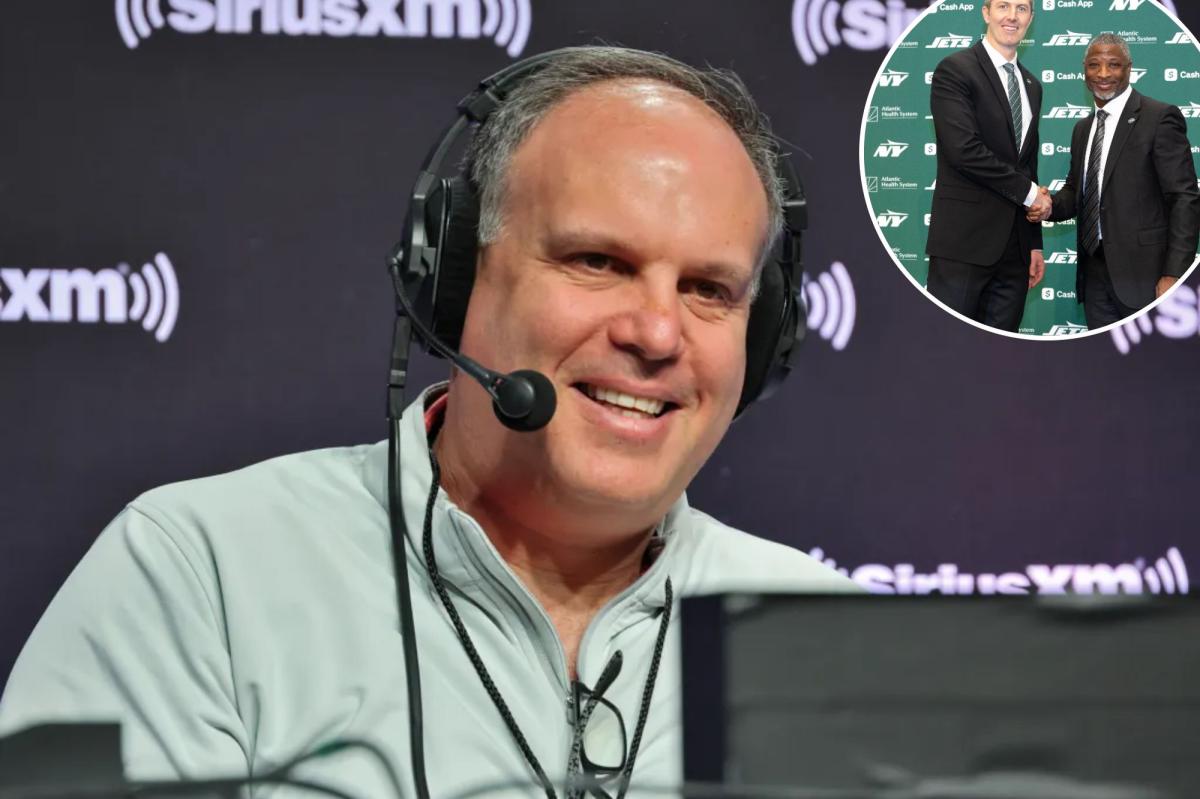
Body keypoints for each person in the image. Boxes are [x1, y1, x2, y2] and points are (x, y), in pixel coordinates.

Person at [0, 47, 855, 798]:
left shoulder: (833, 642)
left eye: (709, 289)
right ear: (451, 279)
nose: (658, 334)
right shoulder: (200, 576)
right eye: (598, 261)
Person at [1027, 34, 1200, 329]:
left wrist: (1174, 274)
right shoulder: (1082, 129)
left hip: (1147, 277)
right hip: (1095, 274)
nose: (1103, 74)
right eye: (1094, 65)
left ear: (1129, 69)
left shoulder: (1159, 118)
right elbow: (1076, 191)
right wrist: (1048, 206)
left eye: (1113, 65)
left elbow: (1184, 197)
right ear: (1084, 70)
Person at [925, 0, 1049, 333]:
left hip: (1016, 252)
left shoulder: (1033, 85)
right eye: (1003, 6)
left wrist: (1034, 243)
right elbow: (963, 151)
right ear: (986, 13)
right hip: (964, 243)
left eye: (1021, 9)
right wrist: (1031, 194)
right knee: (949, 346)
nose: (1012, 16)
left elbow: (1027, 165)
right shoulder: (955, 69)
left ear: (1031, 18)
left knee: (1001, 354)